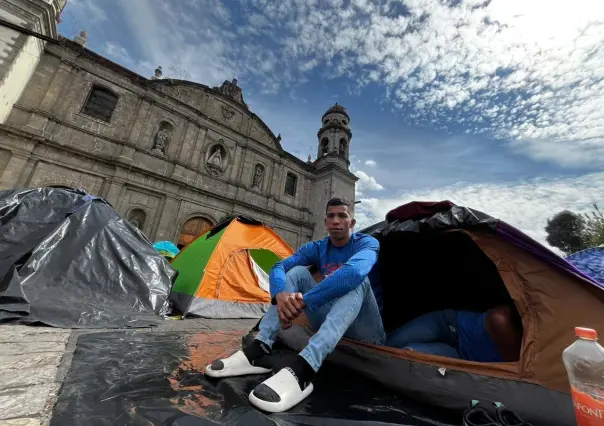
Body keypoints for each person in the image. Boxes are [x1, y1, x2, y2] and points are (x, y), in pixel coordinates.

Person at [205, 197, 385, 412]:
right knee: (297, 272)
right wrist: (280, 296)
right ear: (325, 222)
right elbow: (279, 266)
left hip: (365, 330)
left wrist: (303, 301)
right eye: (331, 216)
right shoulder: (317, 248)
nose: (336, 221)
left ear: (352, 223)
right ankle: (260, 347)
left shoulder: (367, 243)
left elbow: (354, 272)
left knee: (357, 281)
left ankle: (306, 367)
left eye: (342, 216)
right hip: (330, 321)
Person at [385, 305, 523, 363]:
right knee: (390, 342)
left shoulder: (528, 354)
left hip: (460, 355)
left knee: (405, 352)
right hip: (447, 324)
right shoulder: (501, 318)